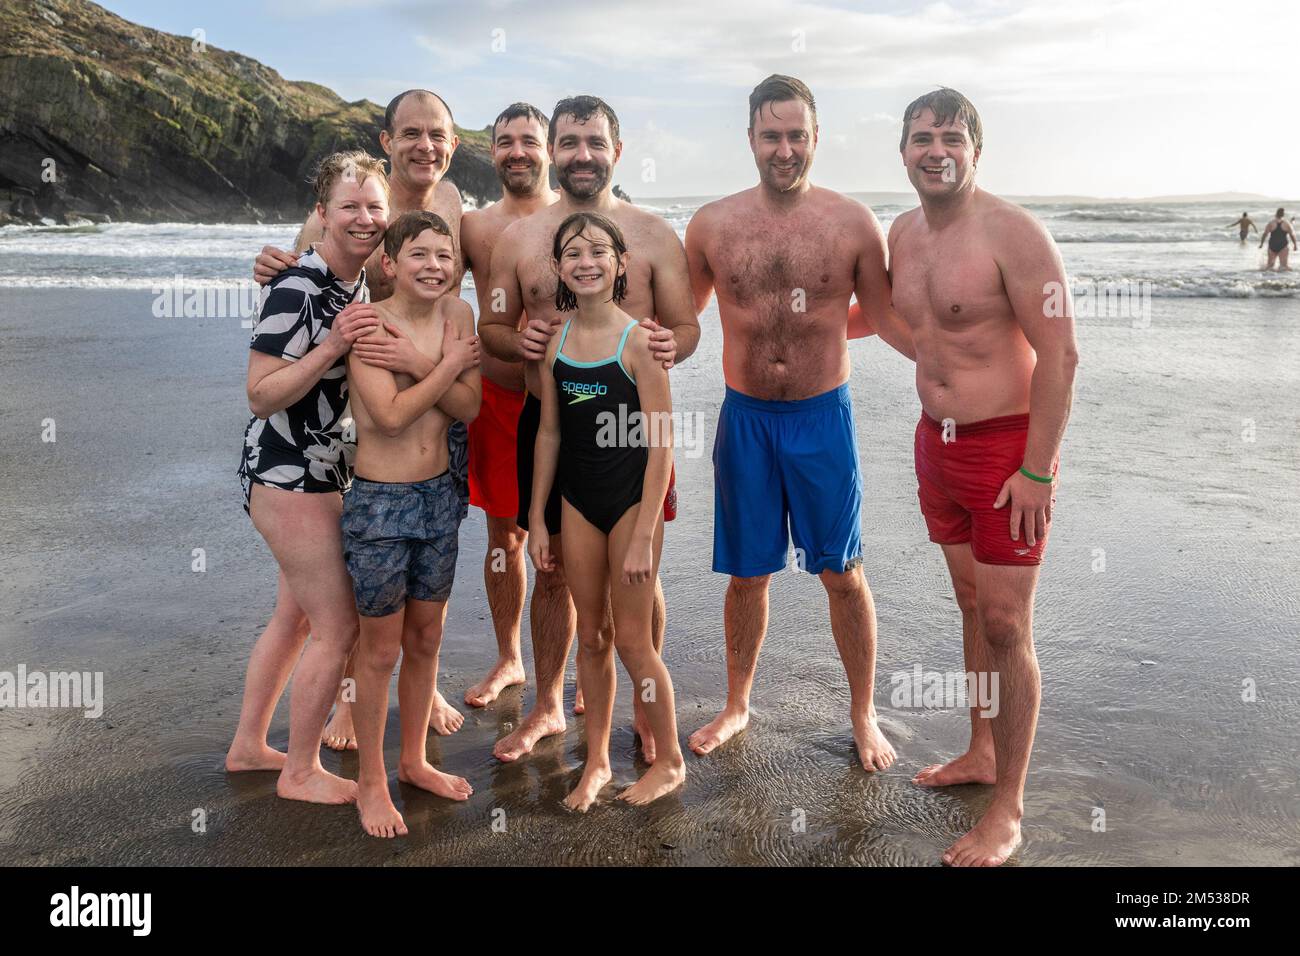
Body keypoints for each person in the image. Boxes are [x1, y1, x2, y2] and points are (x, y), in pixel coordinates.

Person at [683, 75, 913, 772]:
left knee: (842, 572)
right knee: (748, 576)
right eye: (771, 136)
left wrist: (968, 350)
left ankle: (862, 713)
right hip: (745, 419)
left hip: (822, 420)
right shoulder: (712, 224)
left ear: (816, 138)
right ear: (750, 138)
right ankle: (737, 703)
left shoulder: (851, 223)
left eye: (796, 136)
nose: (784, 149)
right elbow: (681, 319)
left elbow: (885, 315)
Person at [479, 95, 700, 764]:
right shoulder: (517, 240)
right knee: (548, 570)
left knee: (642, 568)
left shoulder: (656, 235)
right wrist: (520, 337)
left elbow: (687, 328)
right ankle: (548, 704)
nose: (582, 155)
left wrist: (665, 343)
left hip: (635, 437)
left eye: (594, 143)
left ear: (617, 152)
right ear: (553, 150)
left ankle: (643, 703)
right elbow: (490, 324)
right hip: (552, 424)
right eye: (569, 142)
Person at [889, 87, 1078, 866]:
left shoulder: (1014, 233)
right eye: (923, 136)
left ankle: (1008, 809)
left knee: (1006, 624)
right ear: (903, 151)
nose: (937, 149)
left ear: (975, 148)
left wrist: (1037, 468)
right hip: (937, 445)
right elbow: (910, 327)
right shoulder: (900, 233)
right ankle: (980, 749)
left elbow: (1061, 354)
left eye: (953, 136)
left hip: (1007, 454)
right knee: (970, 604)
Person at [254, 89, 469, 746]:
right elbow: (302, 278)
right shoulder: (363, 204)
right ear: (387, 141)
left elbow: (478, 284)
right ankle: (346, 701)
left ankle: (418, 686)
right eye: (411, 133)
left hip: (431, 416)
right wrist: (272, 266)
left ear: (452, 144)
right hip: (352, 421)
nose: (424, 146)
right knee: (349, 578)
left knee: (417, 571)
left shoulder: (456, 204)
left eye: (436, 134)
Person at [224, 151, 389, 805]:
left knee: (293, 618)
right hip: (286, 476)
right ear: (321, 213)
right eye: (349, 206)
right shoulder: (298, 286)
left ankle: (248, 746)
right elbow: (259, 394)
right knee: (338, 627)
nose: (364, 218)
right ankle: (299, 771)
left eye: (375, 207)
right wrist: (331, 347)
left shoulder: (349, 285)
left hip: (322, 473)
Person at [528, 212, 685, 810]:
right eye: (572, 252)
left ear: (620, 263)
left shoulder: (639, 341)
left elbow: (661, 443)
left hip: (628, 504)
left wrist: (645, 533)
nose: (585, 261)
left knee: (634, 642)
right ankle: (595, 762)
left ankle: (669, 761)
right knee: (590, 636)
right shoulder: (557, 342)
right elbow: (549, 435)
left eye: (598, 250)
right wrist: (539, 518)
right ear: (560, 269)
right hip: (577, 501)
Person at [343, 210, 482, 837]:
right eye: (420, 255)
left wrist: (425, 359)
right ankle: (371, 782)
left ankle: (413, 761)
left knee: (426, 638)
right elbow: (392, 417)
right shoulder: (370, 323)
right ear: (389, 264)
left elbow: (472, 407)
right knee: (380, 649)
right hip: (381, 502)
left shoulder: (459, 317)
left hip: (441, 496)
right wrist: (447, 365)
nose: (435, 266)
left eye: (445, 256)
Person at [457, 104, 560, 709]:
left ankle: (576, 670)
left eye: (529, 140)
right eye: (504, 142)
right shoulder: (473, 227)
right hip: (497, 399)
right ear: (491, 151)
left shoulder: (576, 217)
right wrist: (298, 254)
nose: (516, 151)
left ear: (548, 148)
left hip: (566, 401)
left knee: (573, 542)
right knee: (505, 537)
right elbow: (406, 272)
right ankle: (509, 658)